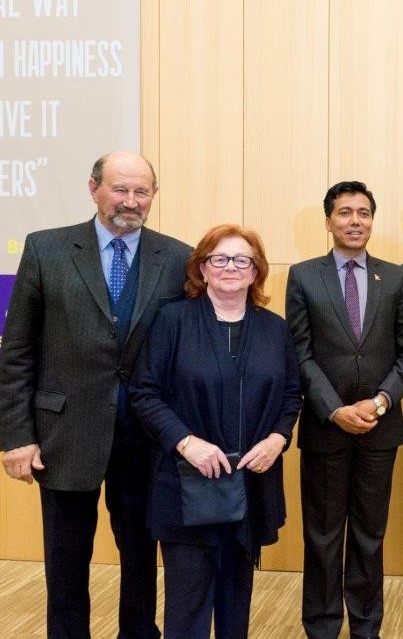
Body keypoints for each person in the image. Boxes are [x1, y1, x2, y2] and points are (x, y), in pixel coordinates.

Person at [0, 151, 190, 638]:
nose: (130, 200)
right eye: (120, 189)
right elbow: (18, 352)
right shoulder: (47, 249)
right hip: (64, 436)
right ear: (93, 188)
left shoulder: (179, 257)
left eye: (141, 191)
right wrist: (16, 437)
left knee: (142, 559)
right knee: (66, 564)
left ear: (153, 196)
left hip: (146, 441)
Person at [129, 224, 300, 637]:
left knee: (234, 603)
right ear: (202, 268)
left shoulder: (274, 328)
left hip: (249, 485)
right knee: (187, 608)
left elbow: (291, 395)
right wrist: (187, 444)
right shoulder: (173, 320)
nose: (230, 267)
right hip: (187, 484)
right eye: (219, 259)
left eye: (242, 260)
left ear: (256, 271)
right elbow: (145, 393)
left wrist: (278, 439)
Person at [286, 181, 403, 639]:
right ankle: (322, 626)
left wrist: (381, 401)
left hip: (379, 431)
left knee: (369, 534)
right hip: (326, 429)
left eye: (364, 213)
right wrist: (334, 409)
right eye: (345, 213)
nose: (355, 221)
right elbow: (299, 353)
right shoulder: (304, 276)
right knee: (323, 537)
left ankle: (367, 626)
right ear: (329, 221)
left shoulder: (396, 277)